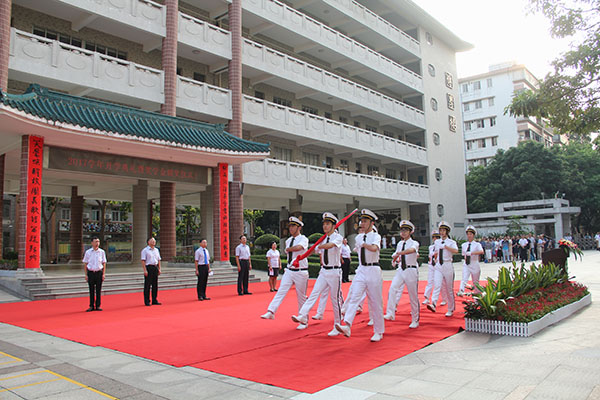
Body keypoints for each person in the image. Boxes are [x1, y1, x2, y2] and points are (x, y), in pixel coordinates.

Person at [336, 209, 385, 342]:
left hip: (373, 269)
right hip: (362, 270)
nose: (362, 224)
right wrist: (361, 244)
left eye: (365, 221)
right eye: (361, 221)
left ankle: (379, 331)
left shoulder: (376, 236)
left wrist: (364, 245)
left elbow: (374, 248)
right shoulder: (358, 237)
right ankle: (347, 324)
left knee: (375, 302)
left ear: (371, 223)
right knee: (354, 296)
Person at [292, 212, 343, 336]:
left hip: (335, 271)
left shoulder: (338, 237)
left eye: (328, 224)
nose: (325, 226)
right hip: (324, 270)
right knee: (314, 293)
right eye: (324, 224)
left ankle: (338, 324)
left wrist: (320, 246)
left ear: (333, 225)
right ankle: (302, 314)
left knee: (334, 299)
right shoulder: (323, 238)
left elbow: (330, 245)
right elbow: (316, 251)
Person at [261, 217, 309, 321]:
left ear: (299, 227)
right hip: (289, 270)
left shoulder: (303, 239)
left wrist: (288, 249)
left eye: (293, 226)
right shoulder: (288, 240)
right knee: (281, 291)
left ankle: (303, 318)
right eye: (290, 226)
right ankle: (271, 311)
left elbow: (300, 248)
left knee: (301, 297)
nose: (291, 228)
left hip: (301, 271)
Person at [384, 220, 420, 328]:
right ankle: (390, 313)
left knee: (412, 295)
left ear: (410, 232)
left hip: (411, 269)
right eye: (402, 230)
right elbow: (395, 255)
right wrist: (394, 260)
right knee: (392, 289)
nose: (403, 232)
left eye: (406, 230)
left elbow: (412, 250)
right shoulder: (400, 243)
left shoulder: (414, 243)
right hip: (401, 269)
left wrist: (400, 253)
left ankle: (415, 319)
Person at [427, 221, 458, 317]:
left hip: (447, 264)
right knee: (437, 284)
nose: (442, 232)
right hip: (438, 265)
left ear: (447, 231)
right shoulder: (437, 242)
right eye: (441, 230)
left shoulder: (451, 242)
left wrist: (446, 247)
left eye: (444, 230)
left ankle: (450, 308)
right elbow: (436, 252)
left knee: (449, 289)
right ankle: (434, 303)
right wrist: (434, 258)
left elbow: (456, 251)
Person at [457, 226, 484, 297]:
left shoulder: (477, 244)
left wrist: (472, 252)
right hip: (466, 263)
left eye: (471, 234)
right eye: (468, 234)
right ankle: (461, 290)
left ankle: (477, 293)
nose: (469, 236)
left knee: (475, 281)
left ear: (474, 235)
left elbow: (481, 251)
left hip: (474, 263)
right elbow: (463, 254)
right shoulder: (464, 245)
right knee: (464, 278)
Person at [82, 236, 106, 312]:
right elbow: (85, 264)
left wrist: (103, 274)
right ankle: (91, 305)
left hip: (99, 272)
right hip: (91, 273)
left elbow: (104, 263)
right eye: (95, 242)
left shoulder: (102, 252)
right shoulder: (88, 252)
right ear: (92, 243)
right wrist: (86, 274)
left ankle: (98, 305)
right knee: (91, 290)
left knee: (98, 290)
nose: (97, 243)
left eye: (98, 242)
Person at [423, 230, 446, 306]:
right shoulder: (431, 247)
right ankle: (426, 298)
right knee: (430, 281)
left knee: (441, 283)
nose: (435, 238)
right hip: (431, 265)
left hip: (438, 265)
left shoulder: (441, 246)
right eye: (433, 237)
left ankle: (444, 299)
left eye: (437, 237)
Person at [141, 237, 162, 306]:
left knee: (155, 285)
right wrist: (145, 270)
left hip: (155, 267)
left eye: (154, 241)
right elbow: (143, 261)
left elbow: (159, 260)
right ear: (148, 242)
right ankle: (147, 301)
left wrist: (159, 268)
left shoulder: (156, 250)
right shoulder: (145, 250)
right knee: (147, 285)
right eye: (152, 241)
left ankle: (154, 299)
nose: (153, 242)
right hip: (148, 267)